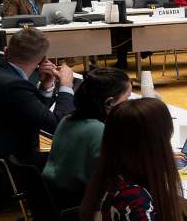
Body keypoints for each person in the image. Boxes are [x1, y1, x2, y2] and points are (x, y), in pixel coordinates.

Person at [0, 26, 75, 167]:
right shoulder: (14, 85)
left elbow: (35, 114)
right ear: (42, 60)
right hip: (6, 162)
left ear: (5, 51)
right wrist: (66, 85)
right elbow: (58, 125)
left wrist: (46, 87)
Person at [43, 67, 131, 204]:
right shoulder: (99, 131)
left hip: (56, 199)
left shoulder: (67, 119)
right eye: (127, 99)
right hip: (81, 205)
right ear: (109, 103)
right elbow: (115, 179)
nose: (130, 105)